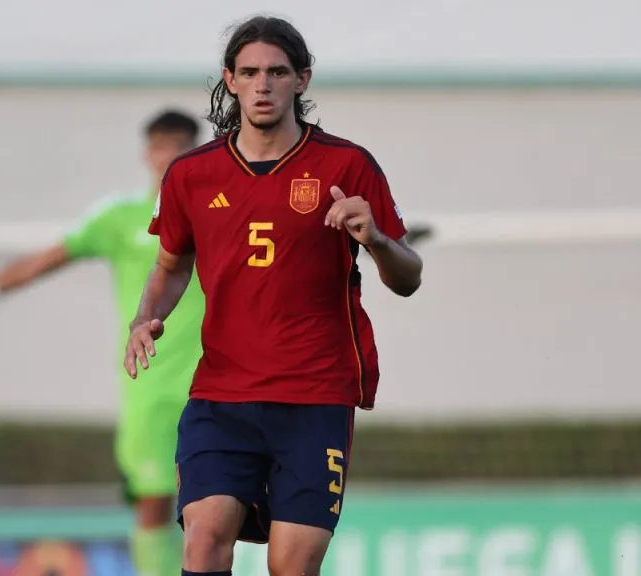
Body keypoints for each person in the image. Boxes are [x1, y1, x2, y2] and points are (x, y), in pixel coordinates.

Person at [122, 15, 424, 576]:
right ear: (229, 80)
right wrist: (146, 317)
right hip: (221, 395)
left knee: (291, 564)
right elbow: (170, 265)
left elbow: (409, 276)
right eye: (250, 72)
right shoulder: (192, 174)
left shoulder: (345, 165)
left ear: (302, 80)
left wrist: (377, 240)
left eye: (278, 72)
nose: (263, 84)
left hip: (314, 395)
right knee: (206, 536)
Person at [0, 109, 204, 576]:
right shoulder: (120, 218)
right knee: (155, 503)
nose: (169, 156)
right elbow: (42, 261)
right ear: (147, 154)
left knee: (220, 504)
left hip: (216, 378)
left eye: (179, 145)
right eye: (161, 146)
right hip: (150, 385)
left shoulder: (222, 209)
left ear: (196, 149)